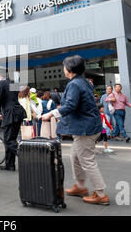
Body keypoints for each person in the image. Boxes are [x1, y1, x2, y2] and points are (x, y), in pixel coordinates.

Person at [40, 55, 109, 205]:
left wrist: (51, 113)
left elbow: (71, 105)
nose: (63, 69)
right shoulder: (83, 82)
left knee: (87, 160)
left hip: (85, 128)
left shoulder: (74, 84)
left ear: (69, 69)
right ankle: (81, 186)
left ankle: (101, 193)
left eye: (64, 67)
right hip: (87, 125)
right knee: (75, 156)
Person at [0, 66, 26, 171]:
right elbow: (9, 100)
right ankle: (10, 165)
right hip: (16, 112)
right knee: (10, 139)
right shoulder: (11, 82)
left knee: (9, 140)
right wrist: (1, 113)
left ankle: (26, 158)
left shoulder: (2, 83)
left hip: (11, 114)